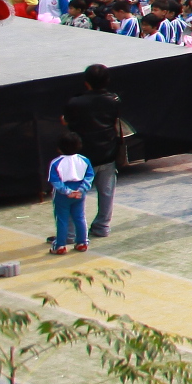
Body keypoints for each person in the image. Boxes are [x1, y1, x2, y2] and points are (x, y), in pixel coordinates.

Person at [62, 66, 125, 240]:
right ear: (107, 81)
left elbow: (66, 121)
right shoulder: (114, 100)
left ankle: (70, 233)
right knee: (106, 193)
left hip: (82, 156)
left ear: (86, 82)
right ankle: (102, 227)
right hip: (107, 153)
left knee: (74, 194)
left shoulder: (75, 102)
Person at [48, 146, 93, 254]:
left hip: (62, 195)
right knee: (80, 217)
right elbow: (89, 176)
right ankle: (82, 243)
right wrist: (81, 190)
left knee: (62, 219)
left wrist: (67, 191)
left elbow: (55, 181)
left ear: (59, 148)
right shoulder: (84, 160)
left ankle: (60, 246)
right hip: (79, 193)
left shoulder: (56, 162)